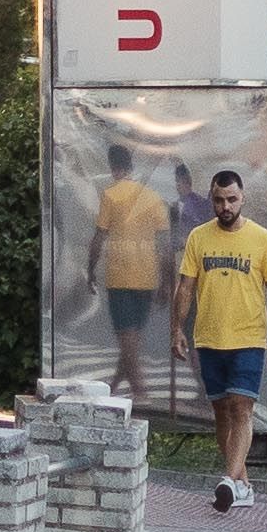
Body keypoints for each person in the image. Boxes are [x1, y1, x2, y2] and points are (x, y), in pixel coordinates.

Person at [172, 167, 267, 513]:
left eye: (232, 199)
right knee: (222, 412)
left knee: (241, 408)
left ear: (243, 198)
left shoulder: (262, 239)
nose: (225, 206)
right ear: (211, 199)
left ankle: (227, 478)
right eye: (219, 200)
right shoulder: (198, 237)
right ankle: (242, 484)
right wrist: (176, 330)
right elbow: (185, 288)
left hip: (248, 338)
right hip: (209, 338)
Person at [83, 143, 172, 403]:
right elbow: (165, 244)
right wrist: (167, 282)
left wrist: (90, 270)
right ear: (130, 165)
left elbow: (99, 237)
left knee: (127, 337)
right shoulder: (153, 197)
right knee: (130, 339)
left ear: (113, 167)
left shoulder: (111, 195)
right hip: (148, 277)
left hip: (120, 276)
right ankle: (113, 386)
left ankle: (140, 392)